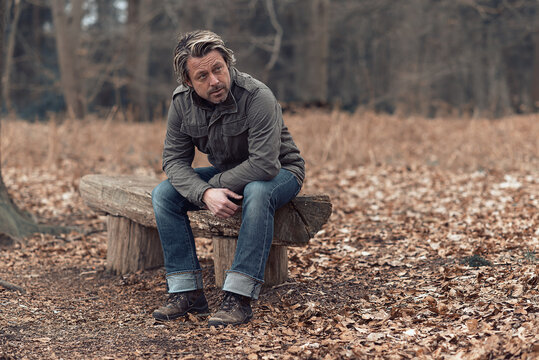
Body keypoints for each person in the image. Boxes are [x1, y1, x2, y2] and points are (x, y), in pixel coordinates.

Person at [151, 30, 305, 327]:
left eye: (218, 69)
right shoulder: (182, 103)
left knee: (257, 192)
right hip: (227, 174)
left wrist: (211, 188)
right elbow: (173, 161)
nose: (215, 81)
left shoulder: (257, 96)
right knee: (164, 195)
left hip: (280, 171)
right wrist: (205, 194)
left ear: (228, 63)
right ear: (188, 82)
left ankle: (239, 298)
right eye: (202, 76)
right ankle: (187, 293)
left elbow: (263, 165)